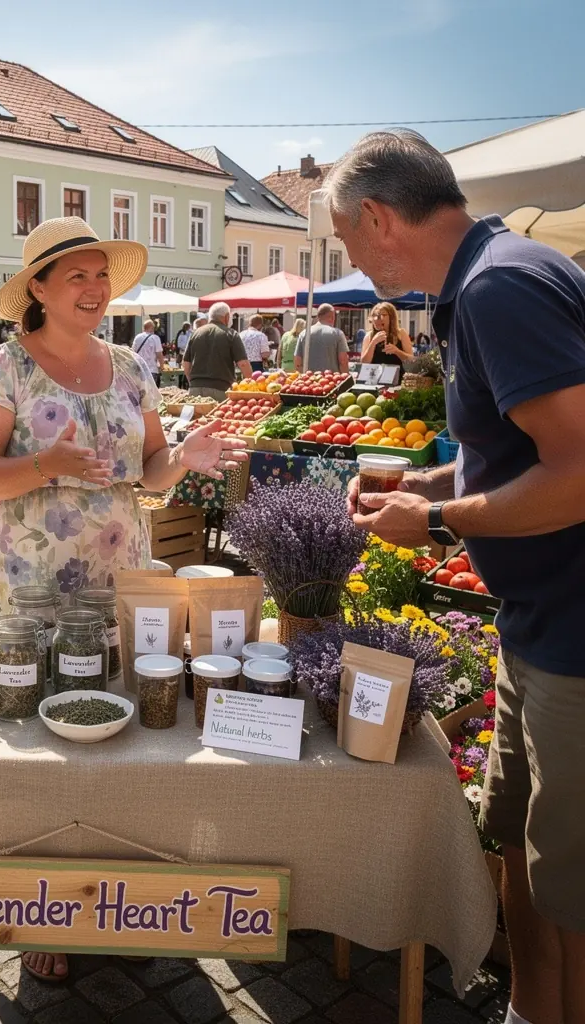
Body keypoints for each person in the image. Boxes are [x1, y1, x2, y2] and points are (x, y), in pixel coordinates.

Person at [332, 128, 585, 1024]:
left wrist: (432, 520)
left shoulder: (498, 287)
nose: (352, 263)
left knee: (572, 889)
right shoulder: (489, 276)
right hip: (537, 628)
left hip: (574, 639)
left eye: (345, 240)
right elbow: (513, 456)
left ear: (376, 218)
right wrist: (426, 480)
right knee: (517, 842)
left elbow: (578, 471)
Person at [0, 219, 247, 984]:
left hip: (118, 567)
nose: (94, 289)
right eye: (76, 277)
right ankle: (41, 906)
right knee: (35, 734)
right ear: (40, 291)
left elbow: (148, 470)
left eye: (101, 276)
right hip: (29, 579)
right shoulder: (3, 366)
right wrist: (42, 463)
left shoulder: (126, 366)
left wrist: (184, 457)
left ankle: (119, 894)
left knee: (113, 717)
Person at [182, 301, 250, 399]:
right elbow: (243, 364)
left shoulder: (196, 333)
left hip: (195, 388)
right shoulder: (231, 334)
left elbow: (186, 363)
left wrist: (193, 382)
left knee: (197, 414)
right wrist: (250, 383)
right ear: (227, 317)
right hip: (221, 389)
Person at [294, 303, 349, 372]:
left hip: (309, 380)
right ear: (332, 317)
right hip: (331, 380)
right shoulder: (338, 334)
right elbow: (343, 361)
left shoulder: (304, 333)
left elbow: (297, 361)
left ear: (318, 316)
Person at [360, 301, 413, 370]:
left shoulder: (401, 333)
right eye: (375, 315)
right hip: (375, 379)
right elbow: (364, 362)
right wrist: (373, 343)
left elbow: (411, 361)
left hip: (397, 378)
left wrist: (397, 351)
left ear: (391, 318)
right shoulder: (369, 336)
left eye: (383, 315)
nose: (378, 319)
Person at [131, 318, 164, 385]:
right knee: (151, 392)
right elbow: (159, 354)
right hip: (151, 369)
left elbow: (132, 352)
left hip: (139, 368)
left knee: (140, 391)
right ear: (152, 328)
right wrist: (161, 366)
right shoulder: (155, 338)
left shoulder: (137, 337)